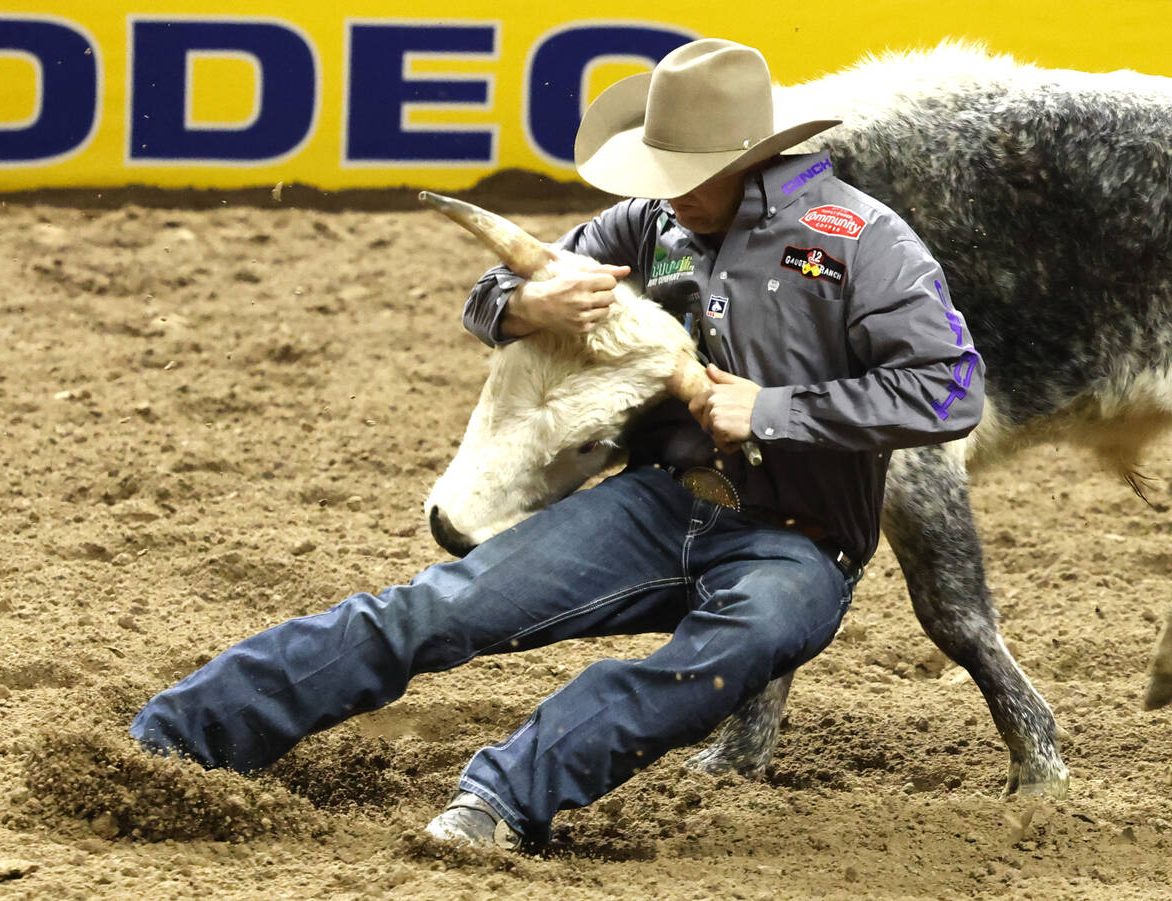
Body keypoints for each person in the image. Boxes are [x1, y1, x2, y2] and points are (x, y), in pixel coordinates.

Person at [129, 39, 983, 850]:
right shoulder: (648, 226)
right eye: (661, 170)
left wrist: (774, 411)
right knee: (441, 608)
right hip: (654, 503)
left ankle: (499, 801)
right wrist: (531, 308)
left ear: (750, 158)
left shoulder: (865, 241)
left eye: (689, 173)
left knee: (725, 649)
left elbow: (952, 388)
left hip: (799, 544)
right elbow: (493, 295)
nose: (668, 190)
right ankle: (168, 740)